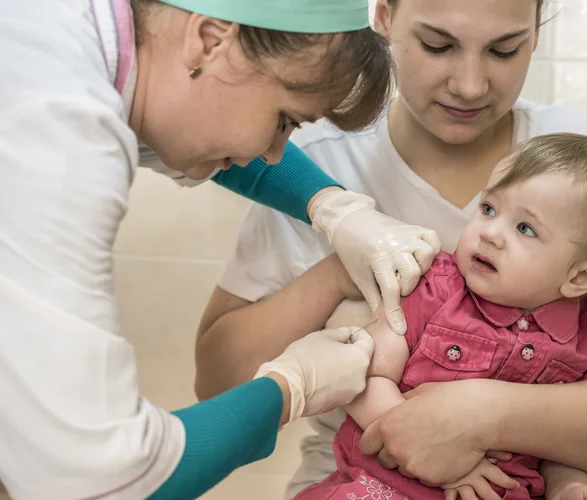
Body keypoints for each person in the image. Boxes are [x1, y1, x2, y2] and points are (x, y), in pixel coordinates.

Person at [195, 0, 587, 499]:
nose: (470, 85)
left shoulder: (582, 167)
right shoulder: (308, 163)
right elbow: (219, 387)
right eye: (437, 45)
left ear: (536, 33)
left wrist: (478, 416)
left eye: (504, 49)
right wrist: (341, 269)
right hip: (369, 476)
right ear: (382, 15)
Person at [0, 0, 441, 498]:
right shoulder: (59, 128)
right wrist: (289, 389)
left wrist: (333, 206)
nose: (276, 153)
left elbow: (215, 137)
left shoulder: (90, 42)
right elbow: (95, 478)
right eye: (284, 121)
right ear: (210, 40)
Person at [295, 133, 587, 500]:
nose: (490, 233)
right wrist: (427, 448)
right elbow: (363, 376)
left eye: (525, 229)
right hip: (383, 487)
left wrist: (571, 485)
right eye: (489, 209)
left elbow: (563, 444)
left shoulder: (583, 343)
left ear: (580, 278)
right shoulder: (431, 288)